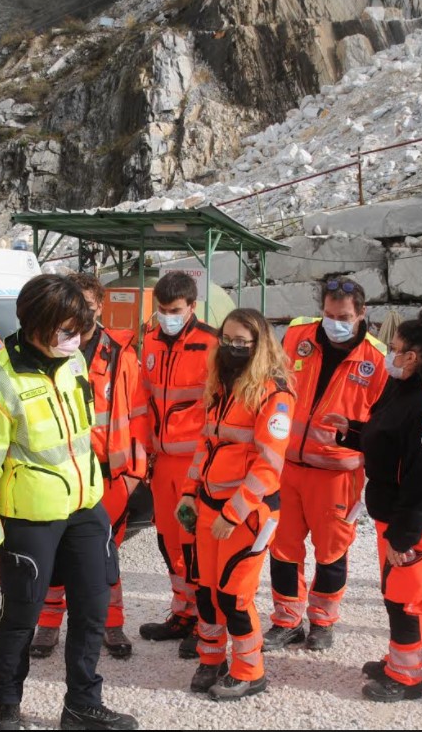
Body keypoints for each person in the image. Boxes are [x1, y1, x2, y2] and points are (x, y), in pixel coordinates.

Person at [0, 274, 138, 731]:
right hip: (30, 518)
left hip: (85, 509)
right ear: (36, 324)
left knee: (93, 609)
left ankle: (82, 704)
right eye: (65, 329)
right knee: (22, 615)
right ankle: (6, 705)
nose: (75, 338)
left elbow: (83, 438)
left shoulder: (74, 360)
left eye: (78, 329)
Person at [324, 317, 422, 702]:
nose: (389, 354)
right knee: (393, 591)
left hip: (418, 520)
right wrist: (349, 430)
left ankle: (407, 677)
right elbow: (385, 436)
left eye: (395, 348)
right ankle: (396, 661)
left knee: (406, 596)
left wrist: (405, 536)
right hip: (396, 513)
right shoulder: (402, 386)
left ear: (413, 356)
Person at [177, 309, 295, 701]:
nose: (231, 347)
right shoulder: (224, 386)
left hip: (246, 513)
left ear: (259, 344)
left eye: (240, 341)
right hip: (210, 504)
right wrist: (189, 493)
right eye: (226, 339)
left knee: (234, 596)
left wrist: (234, 512)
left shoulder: (273, 393)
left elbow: (269, 464)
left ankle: (250, 671)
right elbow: (205, 444)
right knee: (207, 592)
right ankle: (211, 659)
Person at [265, 278, 387, 652]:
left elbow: (384, 421)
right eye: (329, 315)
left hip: (339, 474)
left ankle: (322, 621)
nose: (335, 322)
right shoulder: (298, 336)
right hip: (287, 467)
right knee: (282, 548)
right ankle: (286, 621)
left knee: (331, 551)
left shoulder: (378, 359)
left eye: (344, 316)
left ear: (362, 313)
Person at [32, 273, 147, 660]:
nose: (82, 313)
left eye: (89, 306)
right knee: (56, 550)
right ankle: (47, 627)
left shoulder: (120, 353)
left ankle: (111, 626)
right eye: (74, 305)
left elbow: (139, 416)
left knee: (105, 553)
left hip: (108, 470)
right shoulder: (51, 347)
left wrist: (135, 472)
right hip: (61, 467)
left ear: (99, 307)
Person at [137, 270, 218, 660]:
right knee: (170, 543)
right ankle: (182, 612)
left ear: (192, 307)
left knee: (198, 544)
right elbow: (144, 398)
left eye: (175, 310)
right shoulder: (150, 341)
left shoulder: (213, 344)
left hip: (197, 463)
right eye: (162, 309)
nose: (167, 316)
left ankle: (206, 623)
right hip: (163, 461)